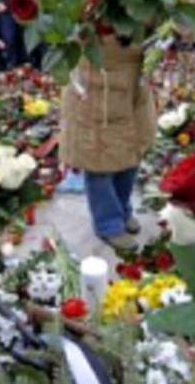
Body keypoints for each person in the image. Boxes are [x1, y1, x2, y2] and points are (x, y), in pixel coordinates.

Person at [59, 33, 156, 251]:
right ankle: (109, 224)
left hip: (132, 77)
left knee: (130, 152)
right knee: (98, 160)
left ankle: (122, 209)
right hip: (94, 78)